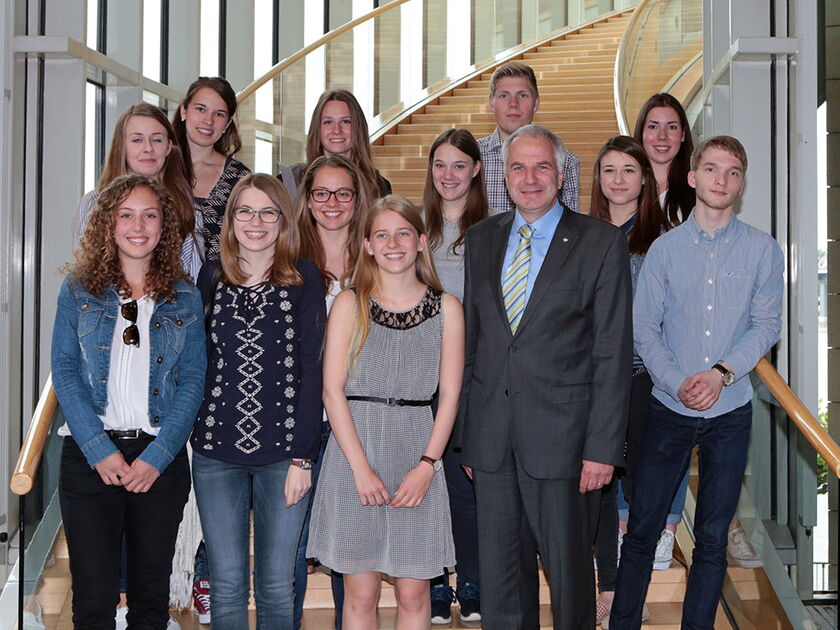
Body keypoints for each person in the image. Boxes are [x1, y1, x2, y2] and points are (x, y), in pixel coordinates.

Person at [457, 123, 632, 629]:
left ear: (561, 176)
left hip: (567, 443)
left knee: (571, 583)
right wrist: (471, 436)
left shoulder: (599, 241)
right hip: (492, 442)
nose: (529, 178)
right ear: (503, 175)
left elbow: (612, 353)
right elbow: (476, 344)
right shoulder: (482, 238)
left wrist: (603, 448)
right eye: (518, 166)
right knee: (502, 583)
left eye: (541, 167)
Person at [610, 136, 784, 630]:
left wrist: (720, 373)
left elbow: (766, 325)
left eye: (732, 173)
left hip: (730, 410)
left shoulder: (763, 251)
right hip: (668, 407)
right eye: (711, 170)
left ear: (741, 183)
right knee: (642, 529)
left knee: (710, 538)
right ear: (692, 177)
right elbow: (645, 327)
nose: (721, 180)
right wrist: (675, 381)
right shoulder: (664, 251)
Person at [52, 174, 206, 630]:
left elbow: (193, 380)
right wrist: (99, 449)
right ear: (108, 224)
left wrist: (157, 457)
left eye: (150, 215)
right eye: (126, 215)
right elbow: (64, 371)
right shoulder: (78, 289)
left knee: (149, 600)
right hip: (89, 458)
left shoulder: (185, 296)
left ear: (163, 228)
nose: (138, 226)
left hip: (159, 461)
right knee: (94, 601)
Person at [307, 195, 464, 629]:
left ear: (420, 241)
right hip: (355, 452)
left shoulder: (447, 308)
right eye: (382, 235)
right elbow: (331, 391)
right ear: (368, 246)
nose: (393, 243)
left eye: (403, 233)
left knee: (415, 592)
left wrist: (427, 466)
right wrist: (360, 468)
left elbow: (449, 394)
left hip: (417, 450)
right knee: (361, 592)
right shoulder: (348, 303)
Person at [191, 174, 326, 630]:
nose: (256, 221)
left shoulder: (305, 277)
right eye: (245, 211)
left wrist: (303, 458)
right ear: (230, 221)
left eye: (268, 211)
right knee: (227, 584)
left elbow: (313, 371)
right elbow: (196, 365)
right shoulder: (210, 277)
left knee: (275, 584)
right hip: (215, 454)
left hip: (284, 455)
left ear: (283, 221)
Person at [588, 136, 667, 626]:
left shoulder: (663, 239)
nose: (618, 180)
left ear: (645, 179)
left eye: (628, 170)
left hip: (643, 379)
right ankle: (609, 586)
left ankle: (631, 591)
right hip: (592, 382)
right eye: (609, 170)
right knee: (594, 490)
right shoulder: (579, 234)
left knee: (640, 488)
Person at [292, 154, 372, 630]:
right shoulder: (288, 258)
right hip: (301, 421)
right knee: (295, 547)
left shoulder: (376, 256)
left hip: (355, 421)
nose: (332, 203)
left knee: (349, 547)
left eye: (343, 193)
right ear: (307, 199)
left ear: (358, 199)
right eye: (321, 192)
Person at [423, 128, 497, 624]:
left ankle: (471, 581)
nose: (448, 175)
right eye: (440, 165)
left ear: (475, 169)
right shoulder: (414, 228)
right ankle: (431, 581)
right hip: (418, 381)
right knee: (425, 488)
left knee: (465, 487)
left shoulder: (493, 232)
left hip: (472, 380)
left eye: (458, 165)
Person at [73, 103, 201, 277]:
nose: (148, 148)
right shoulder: (93, 204)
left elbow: (192, 280)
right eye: (137, 140)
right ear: (122, 146)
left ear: (168, 147)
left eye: (156, 140)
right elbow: (84, 273)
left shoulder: (188, 209)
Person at [477, 61, 581, 213]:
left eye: (523, 95)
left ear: (536, 103)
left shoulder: (567, 161)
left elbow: (571, 225)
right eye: (504, 95)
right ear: (491, 104)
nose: (513, 103)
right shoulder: (471, 156)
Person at [173, 76, 251, 262]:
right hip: (161, 285)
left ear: (227, 123)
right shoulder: (158, 166)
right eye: (201, 109)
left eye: (219, 114)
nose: (208, 120)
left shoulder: (240, 178)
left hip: (220, 286)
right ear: (184, 110)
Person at [280, 89, 391, 205]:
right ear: (317, 129)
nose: (337, 130)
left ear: (359, 128)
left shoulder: (379, 185)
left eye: (346, 121)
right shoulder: (291, 181)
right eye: (328, 122)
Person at [633, 93, 695, 227]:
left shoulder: (698, 187)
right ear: (641, 132)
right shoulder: (622, 184)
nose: (662, 136)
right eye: (653, 127)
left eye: (672, 127)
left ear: (683, 134)